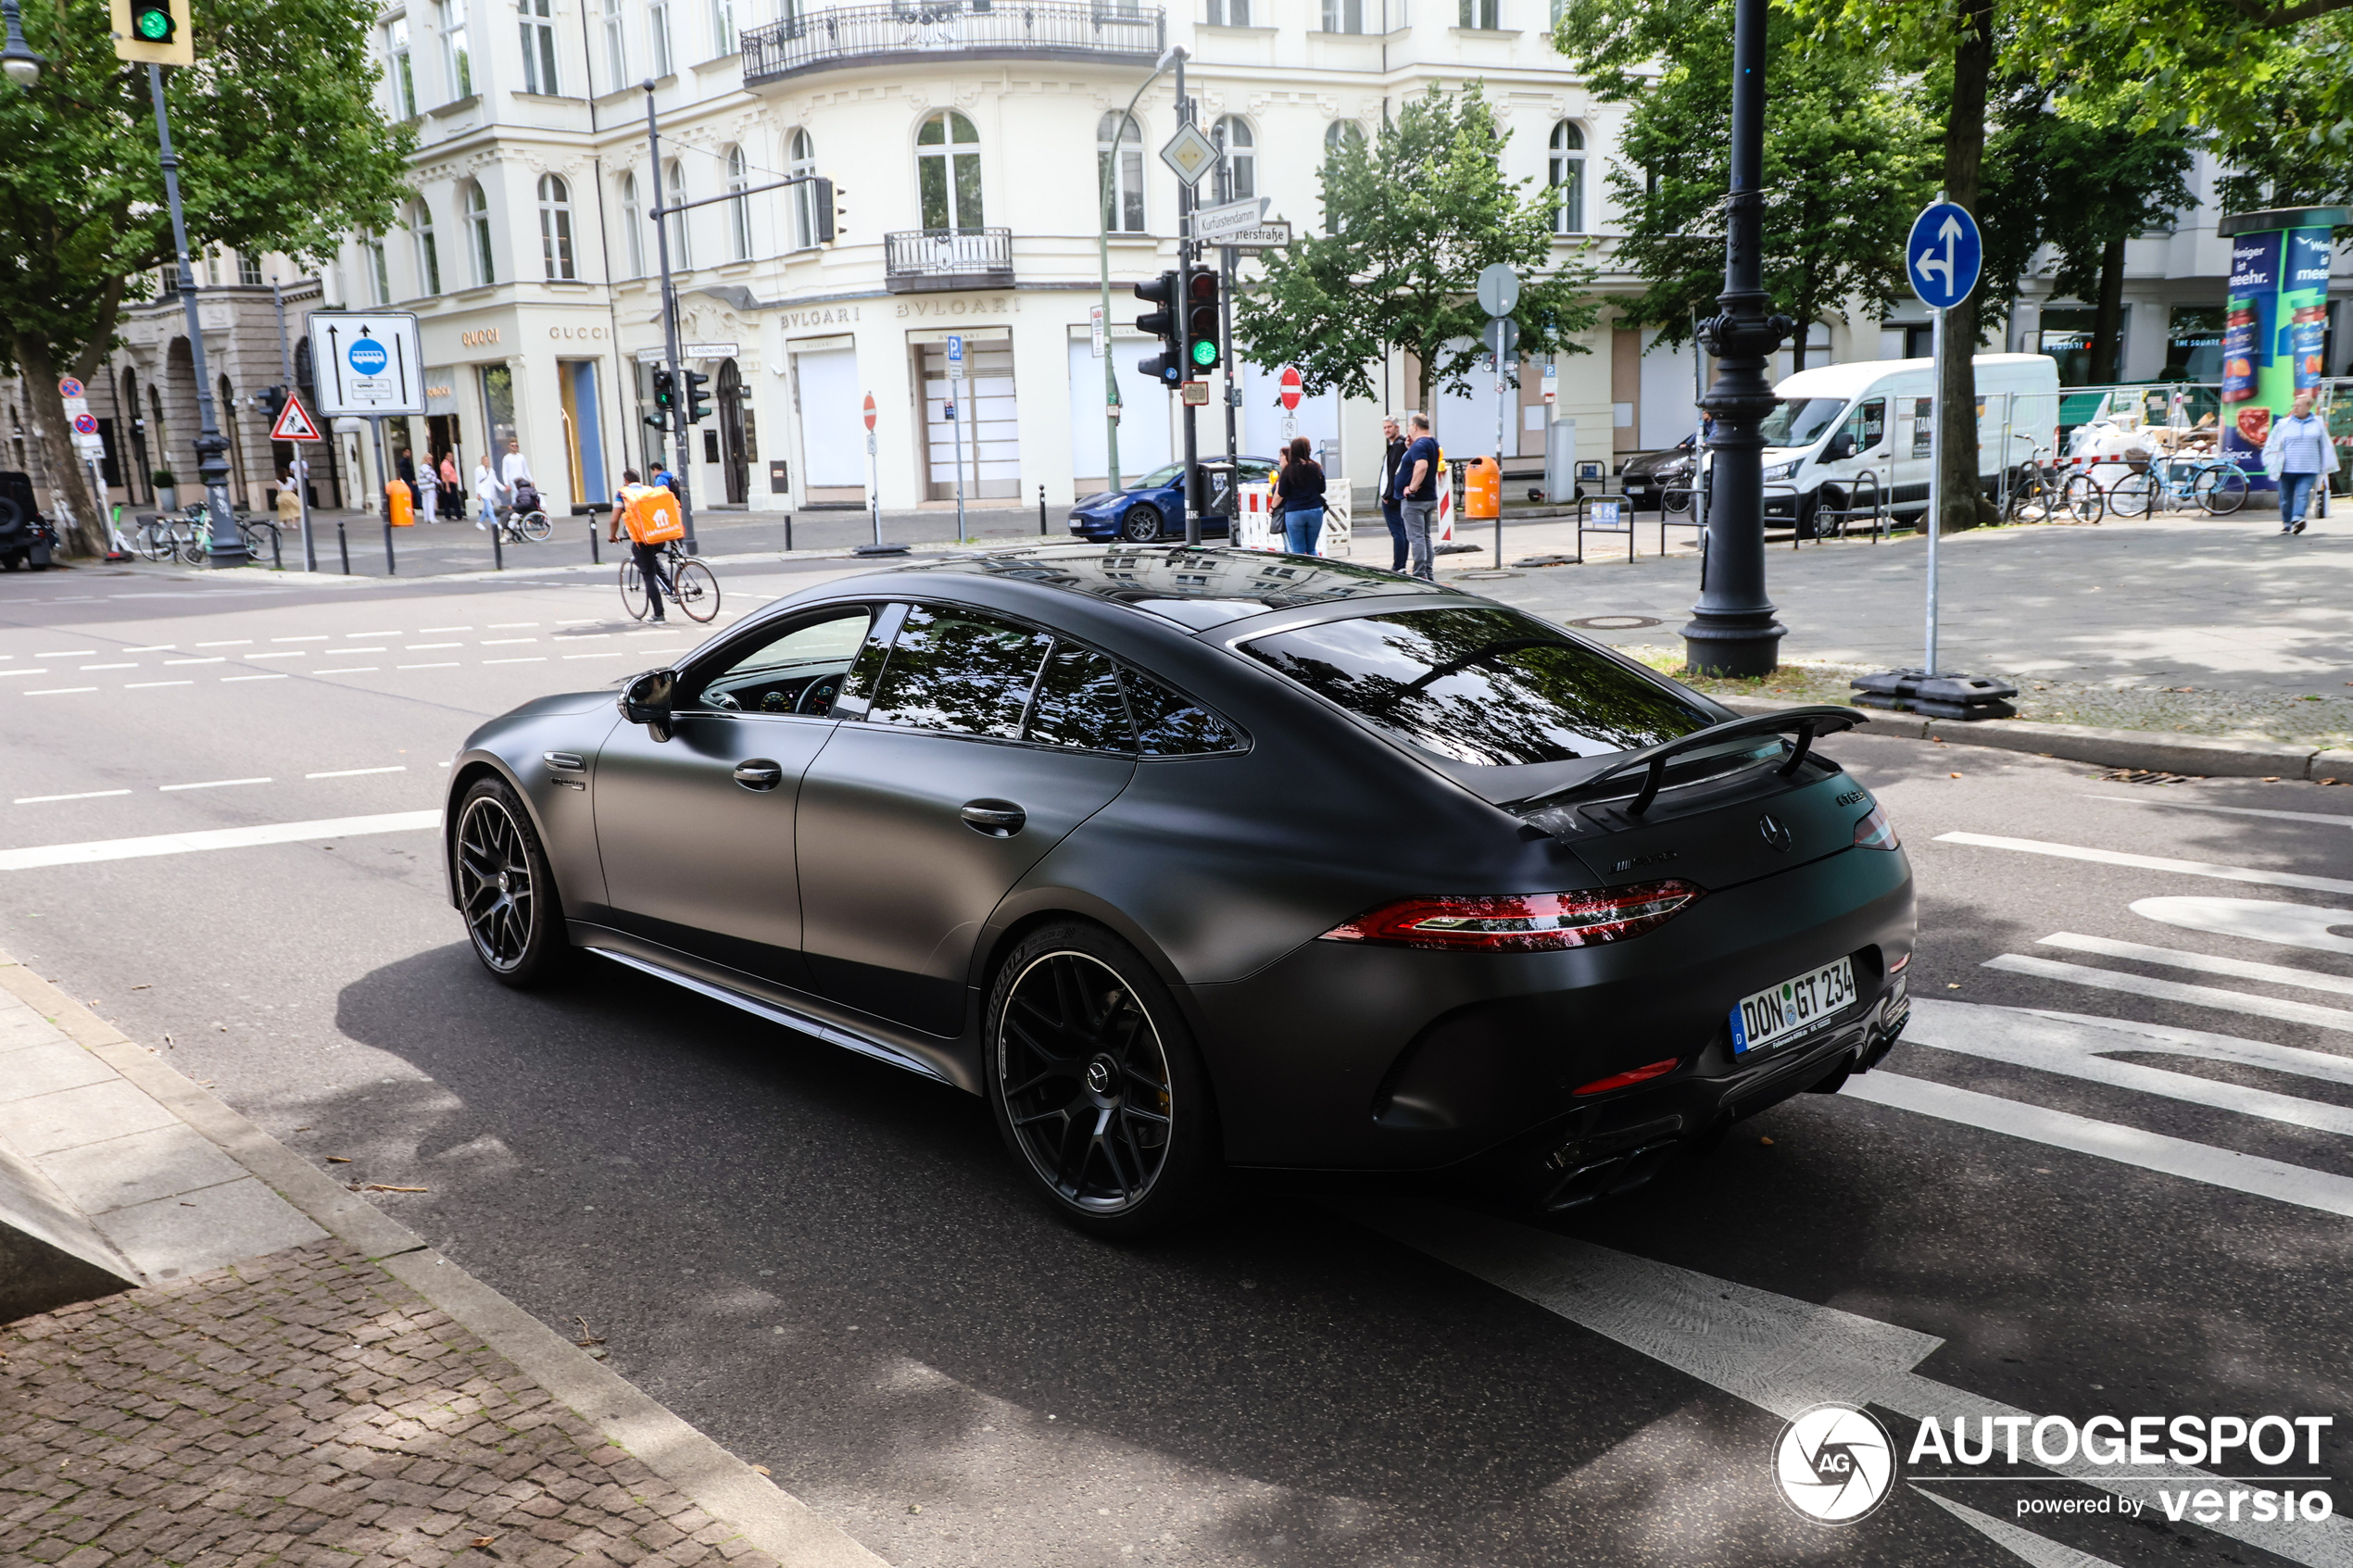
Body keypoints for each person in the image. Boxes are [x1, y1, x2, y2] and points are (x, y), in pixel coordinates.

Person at [609, 469, 671, 623]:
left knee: (648, 574)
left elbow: (614, 519)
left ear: (625, 480)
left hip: (641, 539)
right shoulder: (648, 490)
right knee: (652, 559)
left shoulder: (623, 494)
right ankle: (671, 590)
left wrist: (612, 535)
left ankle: (658, 614)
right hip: (659, 534)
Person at [2264, 390, 2330, 535]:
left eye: (2299, 405)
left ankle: (2298, 518)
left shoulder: (2317, 424)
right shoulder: (2283, 425)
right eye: (2294, 405)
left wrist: (2325, 464)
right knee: (2286, 498)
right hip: (2286, 468)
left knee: (2302, 494)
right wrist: (2270, 461)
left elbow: (2325, 445)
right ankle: (2287, 524)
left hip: (2310, 467)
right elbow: (2272, 443)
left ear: (2308, 407)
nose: (2295, 408)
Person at [1400, 412, 1441, 581]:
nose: (1408, 429)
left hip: (1415, 500)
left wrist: (1412, 487)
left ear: (1415, 426)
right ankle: (1428, 572)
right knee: (1425, 536)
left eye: (1409, 425)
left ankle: (1419, 574)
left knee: (1416, 537)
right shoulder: (1432, 442)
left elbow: (1422, 466)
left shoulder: (1420, 445)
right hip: (1428, 496)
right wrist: (1410, 449)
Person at [1274, 436, 1327, 556]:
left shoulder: (1288, 470)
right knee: (1312, 548)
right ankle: (1317, 571)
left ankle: (1300, 573)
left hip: (1295, 511)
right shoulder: (1316, 467)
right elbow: (1322, 489)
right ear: (1309, 449)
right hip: (1315, 510)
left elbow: (1282, 492)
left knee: (1298, 550)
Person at [1376, 415, 1410, 573]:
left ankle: (1399, 565)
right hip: (1397, 494)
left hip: (1392, 496)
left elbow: (1393, 473)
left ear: (1397, 427)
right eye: (1384, 427)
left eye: (1389, 427)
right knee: (1402, 531)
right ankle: (1401, 564)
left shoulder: (1397, 447)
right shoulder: (1400, 445)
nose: (1387, 430)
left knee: (1398, 532)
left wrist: (1388, 495)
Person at [473, 453, 503, 532]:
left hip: (489, 491)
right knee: (490, 507)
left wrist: (503, 488)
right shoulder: (478, 469)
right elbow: (477, 482)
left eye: (487, 460)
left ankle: (480, 522)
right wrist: (478, 493)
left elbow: (495, 481)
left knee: (486, 508)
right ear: (482, 461)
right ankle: (495, 523)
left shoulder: (491, 470)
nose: (487, 461)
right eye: (485, 460)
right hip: (482, 491)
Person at [414, 452, 440, 524]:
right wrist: (437, 481)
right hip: (429, 487)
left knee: (425, 502)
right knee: (430, 502)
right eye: (429, 458)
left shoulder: (423, 466)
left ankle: (427, 517)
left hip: (423, 487)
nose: (431, 460)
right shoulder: (426, 467)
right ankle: (432, 518)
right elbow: (429, 476)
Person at [438, 450, 462, 519]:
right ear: (446, 457)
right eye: (449, 456)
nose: (451, 457)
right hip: (449, 483)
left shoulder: (447, 464)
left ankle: (448, 515)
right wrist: (448, 486)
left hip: (448, 483)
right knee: (455, 499)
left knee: (447, 500)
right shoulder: (446, 465)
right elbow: (447, 475)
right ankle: (458, 515)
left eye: (451, 456)